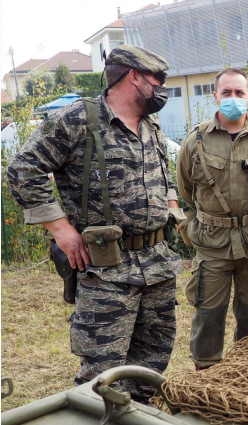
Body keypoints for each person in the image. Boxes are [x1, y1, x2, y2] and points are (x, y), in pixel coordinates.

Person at [7, 45, 182, 402]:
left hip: (157, 264)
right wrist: (62, 231)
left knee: (151, 364)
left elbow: (162, 177)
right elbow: (24, 170)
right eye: (157, 79)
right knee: (101, 373)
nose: (162, 87)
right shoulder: (78, 120)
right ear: (133, 76)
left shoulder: (151, 123)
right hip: (106, 270)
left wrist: (173, 206)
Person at [176, 68, 248, 370]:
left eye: (239, 93)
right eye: (226, 92)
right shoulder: (195, 142)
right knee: (208, 316)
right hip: (213, 244)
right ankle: (206, 381)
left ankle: (246, 378)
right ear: (215, 96)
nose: (233, 98)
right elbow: (186, 190)